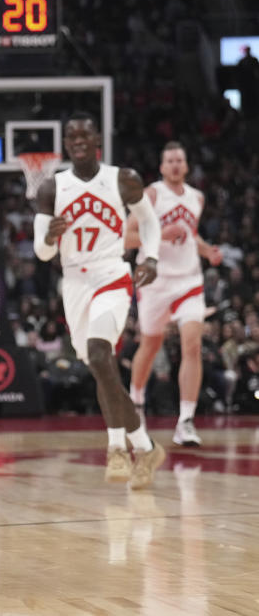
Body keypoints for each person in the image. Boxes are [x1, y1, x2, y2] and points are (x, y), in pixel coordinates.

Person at [34, 112, 165, 489]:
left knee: (97, 353)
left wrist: (150, 258)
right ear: (66, 143)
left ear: (96, 141)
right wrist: (49, 238)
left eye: (83, 134)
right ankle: (143, 445)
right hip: (74, 283)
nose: (77, 139)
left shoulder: (122, 178)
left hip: (112, 275)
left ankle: (118, 450)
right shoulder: (51, 189)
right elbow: (43, 254)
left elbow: (150, 221)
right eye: (70, 134)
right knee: (100, 365)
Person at [124, 141, 223, 446]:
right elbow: (127, 238)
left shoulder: (197, 197)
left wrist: (207, 251)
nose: (176, 165)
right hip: (154, 281)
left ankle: (186, 421)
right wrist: (158, 234)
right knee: (151, 344)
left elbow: (190, 235)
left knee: (192, 343)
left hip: (188, 281)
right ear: (162, 166)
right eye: (170, 160)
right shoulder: (151, 194)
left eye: (180, 159)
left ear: (187, 165)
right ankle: (136, 401)